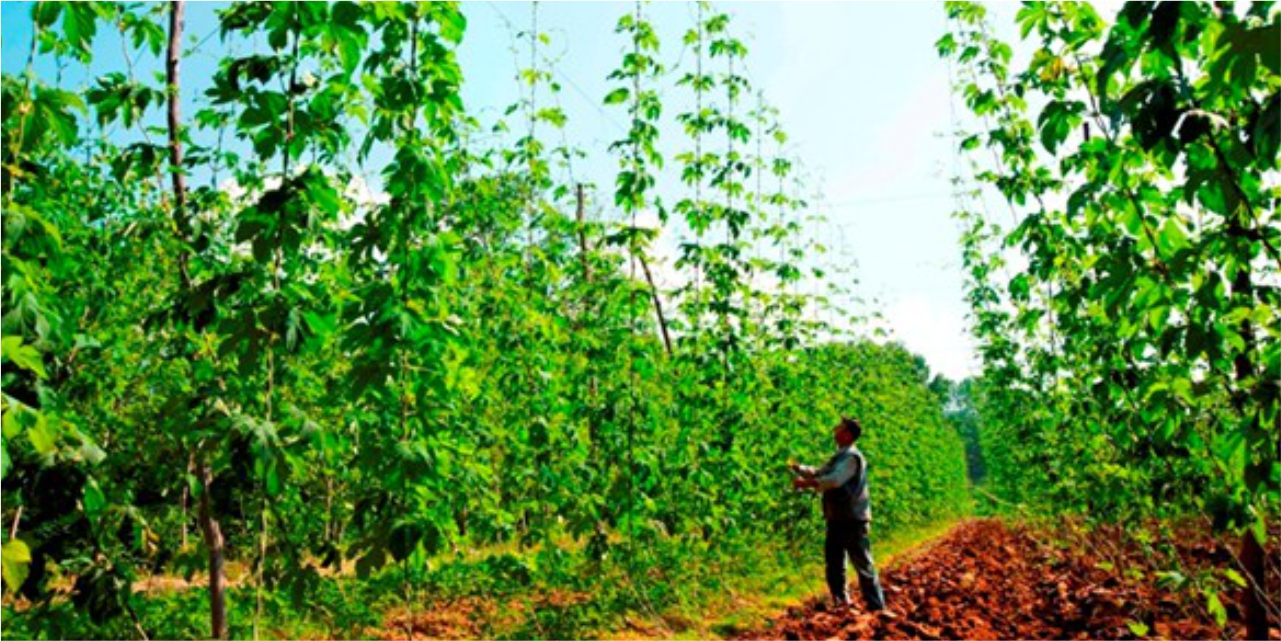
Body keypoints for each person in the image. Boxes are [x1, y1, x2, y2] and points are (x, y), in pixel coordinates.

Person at [789, 416, 887, 612]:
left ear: (848, 434)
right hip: (836, 518)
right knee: (834, 562)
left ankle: (877, 607)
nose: (835, 431)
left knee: (863, 564)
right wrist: (798, 468)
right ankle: (841, 603)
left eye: (839, 429)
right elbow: (819, 472)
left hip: (853, 519)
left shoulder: (852, 457)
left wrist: (805, 484)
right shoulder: (840, 456)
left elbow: (834, 480)